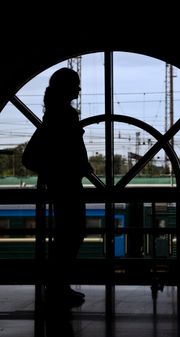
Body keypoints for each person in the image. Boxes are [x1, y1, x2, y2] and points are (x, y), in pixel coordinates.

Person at [39, 67, 94, 306]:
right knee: (72, 234)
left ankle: (58, 287)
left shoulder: (53, 114)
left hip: (60, 183)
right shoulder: (65, 115)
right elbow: (71, 150)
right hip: (69, 184)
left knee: (65, 235)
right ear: (67, 87)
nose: (79, 88)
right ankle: (58, 288)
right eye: (76, 84)